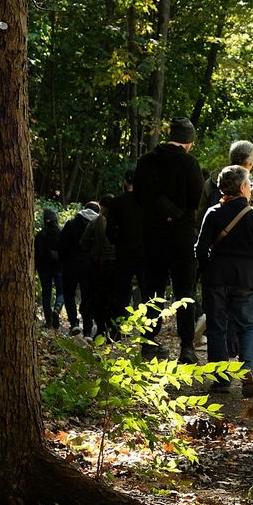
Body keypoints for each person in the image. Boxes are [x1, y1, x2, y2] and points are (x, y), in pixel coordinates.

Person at [195, 165, 253, 397]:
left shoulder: (212, 214)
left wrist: (207, 269)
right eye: (249, 184)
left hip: (217, 277)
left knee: (217, 327)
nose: (250, 188)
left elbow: (200, 250)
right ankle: (248, 369)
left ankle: (221, 380)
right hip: (246, 278)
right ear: (241, 187)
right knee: (247, 327)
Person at [134, 117, 205, 362]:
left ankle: (149, 343)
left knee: (153, 291)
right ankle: (186, 347)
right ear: (189, 142)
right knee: (185, 292)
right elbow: (196, 199)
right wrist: (177, 215)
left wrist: (159, 214)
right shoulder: (190, 163)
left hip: (152, 235)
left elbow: (139, 197)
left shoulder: (145, 162)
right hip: (182, 236)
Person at [105, 168, 144, 339]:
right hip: (145, 253)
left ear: (126, 182)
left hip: (123, 252)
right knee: (148, 292)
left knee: (120, 292)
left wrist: (118, 241)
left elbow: (109, 232)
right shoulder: (148, 203)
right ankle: (148, 334)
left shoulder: (117, 203)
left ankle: (116, 330)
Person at [80, 193, 118, 340]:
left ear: (101, 206)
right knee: (113, 299)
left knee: (97, 299)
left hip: (98, 265)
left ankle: (101, 329)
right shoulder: (121, 223)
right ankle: (114, 329)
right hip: (116, 265)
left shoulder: (95, 222)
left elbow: (84, 243)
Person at [59, 201, 100, 336]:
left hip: (70, 265)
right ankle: (88, 329)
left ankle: (74, 324)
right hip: (89, 267)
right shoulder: (97, 225)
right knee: (87, 297)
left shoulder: (71, 224)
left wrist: (63, 262)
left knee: (69, 295)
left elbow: (62, 245)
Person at [34, 207, 64, 329]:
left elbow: (37, 254)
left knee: (46, 295)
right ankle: (57, 309)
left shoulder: (41, 235)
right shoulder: (61, 233)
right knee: (61, 292)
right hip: (59, 268)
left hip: (44, 269)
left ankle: (48, 321)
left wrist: (35, 268)